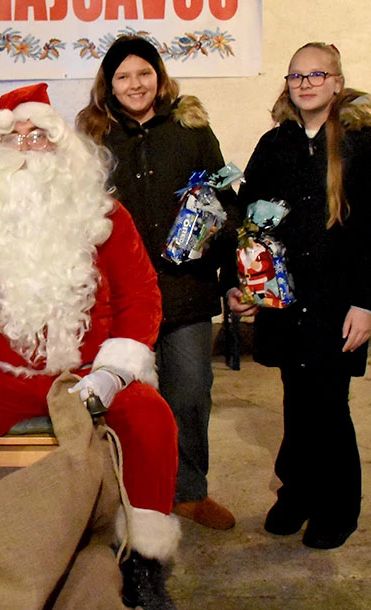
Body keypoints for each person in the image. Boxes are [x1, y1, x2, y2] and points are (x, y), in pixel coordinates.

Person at [0, 83, 185, 610]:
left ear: (64, 146)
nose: (28, 147)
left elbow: (142, 298)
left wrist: (113, 369)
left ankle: (145, 570)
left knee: (153, 419)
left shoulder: (105, 217)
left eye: (39, 136)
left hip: (89, 374)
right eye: (15, 138)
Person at [227, 43, 371, 549]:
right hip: (283, 302)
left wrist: (367, 304)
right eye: (296, 76)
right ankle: (296, 495)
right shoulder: (274, 144)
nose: (305, 84)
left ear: (337, 82)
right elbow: (250, 221)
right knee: (296, 401)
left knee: (328, 404)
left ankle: (337, 508)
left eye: (316, 74)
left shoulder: (362, 147)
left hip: (336, 305)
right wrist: (244, 286)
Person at [77, 35, 239, 530]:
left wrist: (229, 270)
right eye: (123, 76)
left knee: (189, 392)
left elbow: (226, 202)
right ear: (109, 84)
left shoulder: (192, 129)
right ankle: (126, 491)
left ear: (159, 76)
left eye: (143, 73)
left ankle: (188, 491)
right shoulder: (93, 137)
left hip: (185, 288)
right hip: (119, 297)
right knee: (125, 397)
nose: (135, 84)